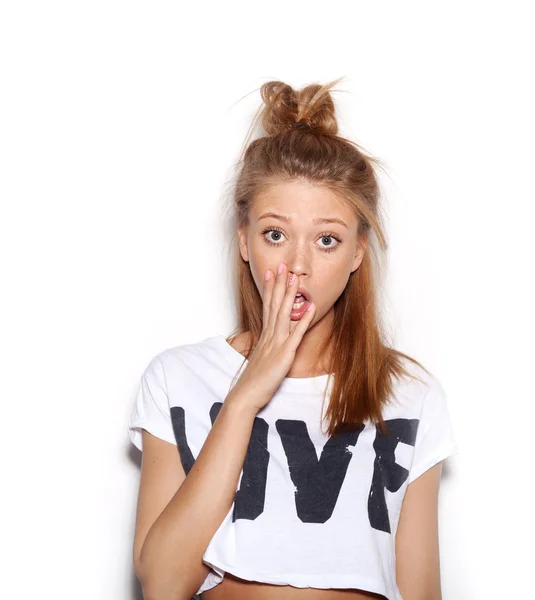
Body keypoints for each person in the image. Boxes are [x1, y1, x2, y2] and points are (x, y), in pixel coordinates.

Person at [128, 78, 459, 600]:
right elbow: (164, 585)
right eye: (275, 234)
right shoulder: (178, 379)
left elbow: (420, 592)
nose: (298, 267)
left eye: (327, 240)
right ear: (244, 238)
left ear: (357, 253)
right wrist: (244, 398)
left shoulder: (410, 395)